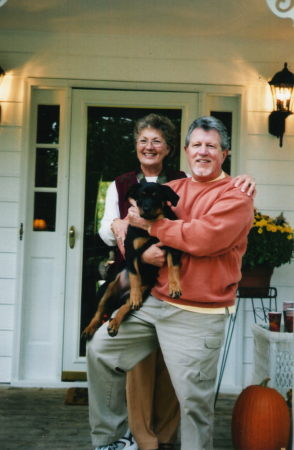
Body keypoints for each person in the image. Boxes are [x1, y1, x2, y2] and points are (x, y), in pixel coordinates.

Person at [89, 115, 255, 450]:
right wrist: (136, 250)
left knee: (193, 405)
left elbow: (204, 238)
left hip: (198, 314)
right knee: (101, 351)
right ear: (186, 150)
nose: (203, 152)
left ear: (225, 153)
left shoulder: (236, 195)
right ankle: (110, 441)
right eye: (197, 145)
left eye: (211, 146)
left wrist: (152, 229)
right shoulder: (172, 189)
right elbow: (130, 223)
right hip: (154, 303)